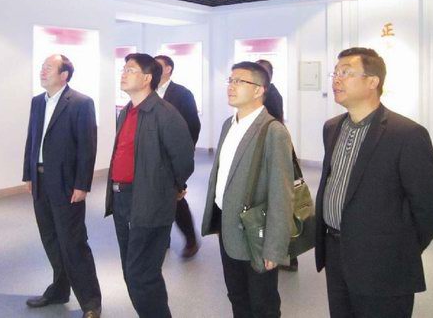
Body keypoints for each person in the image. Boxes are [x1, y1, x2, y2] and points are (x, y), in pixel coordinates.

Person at [315, 47, 433, 318]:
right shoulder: (332, 128)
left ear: (373, 82)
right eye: (335, 73)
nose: (336, 79)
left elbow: (430, 207)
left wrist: (400, 249)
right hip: (336, 253)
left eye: (346, 73)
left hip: (384, 264)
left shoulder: (406, 135)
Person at [105, 53, 195, 318]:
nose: (123, 74)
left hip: (149, 201)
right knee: (131, 271)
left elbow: (184, 160)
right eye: (123, 69)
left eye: (130, 70)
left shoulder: (165, 113)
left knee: (141, 274)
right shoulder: (126, 112)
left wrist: (170, 188)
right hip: (121, 198)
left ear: (147, 78)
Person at [201, 61, 294, 317]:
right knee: (237, 295)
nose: (231, 86)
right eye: (230, 80)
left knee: (262, 303)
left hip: (256, 230)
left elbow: (282, 193)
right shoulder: (228, 125)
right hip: (228, 225)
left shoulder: (273, 131)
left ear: (258, 90)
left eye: (240, 81)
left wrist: (275, 246)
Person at [22, 54, 102, 318]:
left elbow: (87, 146)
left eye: (48, 67)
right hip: (41, 181)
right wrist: (29, 174)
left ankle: (91, 301)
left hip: (67, 184)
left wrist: (82, 184)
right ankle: (59, 289)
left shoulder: (80, 103)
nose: (42, 71)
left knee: (73, 242)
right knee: (50, 238)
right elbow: (32, 139)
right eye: (42, 67)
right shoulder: (37, 102)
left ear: (64, 75)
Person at [154, 54, 201, 258]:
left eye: (158, 66)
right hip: (151, 157)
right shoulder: (148, 92)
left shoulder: (182, 94)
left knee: (175, 198)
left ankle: (191, 239)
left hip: (173, 157)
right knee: (154, 198)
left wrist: (184, 153)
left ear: (168, 69)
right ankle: (162, 240)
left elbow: (193, 126)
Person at [256, 58, 298, 272]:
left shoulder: (271, 95)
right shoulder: (268, 93)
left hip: (273, 152)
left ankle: (288, 255)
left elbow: (272, 124)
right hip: (269, 151)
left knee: (279, 204)